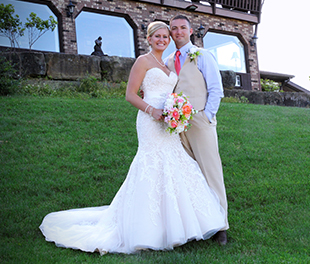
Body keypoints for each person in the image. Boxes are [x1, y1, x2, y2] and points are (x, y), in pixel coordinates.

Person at [39, 21, 226, 254]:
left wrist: (181, 113)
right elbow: (130, 94)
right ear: (148, 38)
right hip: (150, 121)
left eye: (165, 36)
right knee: (151, 164)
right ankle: (149, 227)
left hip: (172, 122)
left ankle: (199, 223)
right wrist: (152, 110)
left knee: (177, 165)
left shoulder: (169, 64)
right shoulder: (143, 61)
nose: (163, 40)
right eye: (158, 36)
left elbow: (200, 89)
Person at [165, 15, 229, 245]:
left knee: (211, 172)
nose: (178, 32)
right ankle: (198, 224)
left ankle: (221, 226)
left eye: (183, 28)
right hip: (176, 126)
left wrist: (206, 116)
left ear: (190, 31)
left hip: (200, 122)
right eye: (174, 29)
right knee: (190, 175)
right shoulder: (169, 60)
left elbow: (216, 89)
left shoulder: (203, 55)